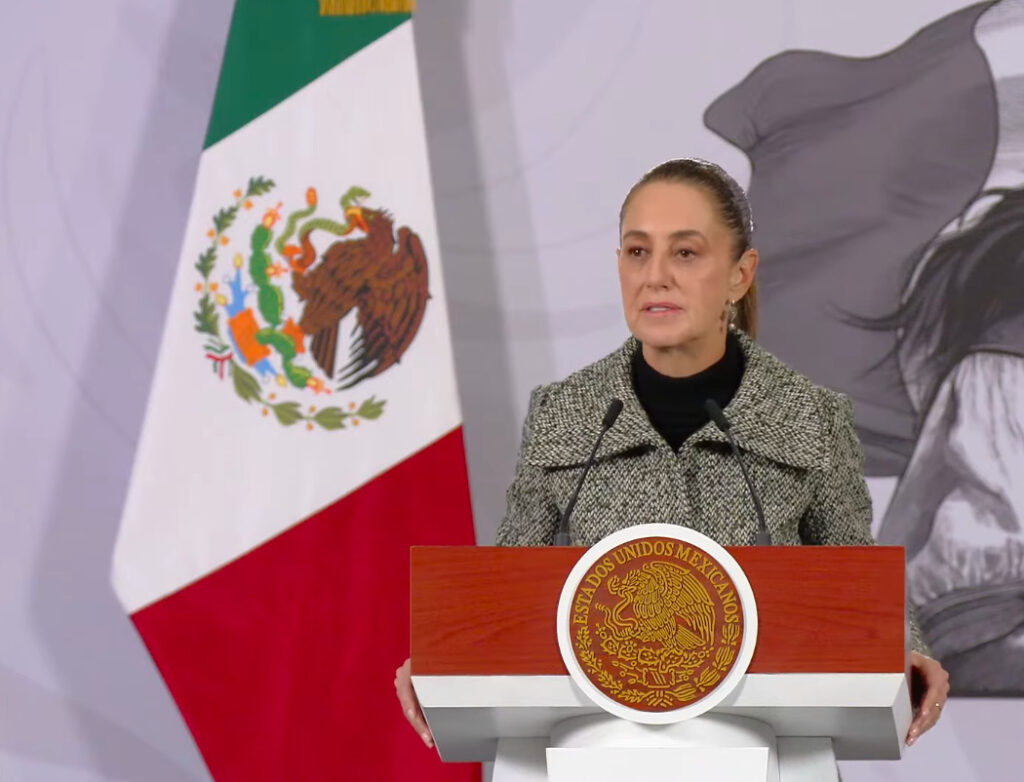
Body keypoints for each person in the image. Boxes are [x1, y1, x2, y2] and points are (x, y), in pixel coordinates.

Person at [394, 158, 949, 750]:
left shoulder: (810, 416)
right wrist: (441, 653)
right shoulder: (566, 413)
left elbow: (855, 579)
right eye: (637, 252)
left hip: (769, 753)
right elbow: (507, 585)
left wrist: (909, 649)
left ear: (739, 275)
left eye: (685, 253)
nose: (655, 276)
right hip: (603, 751)